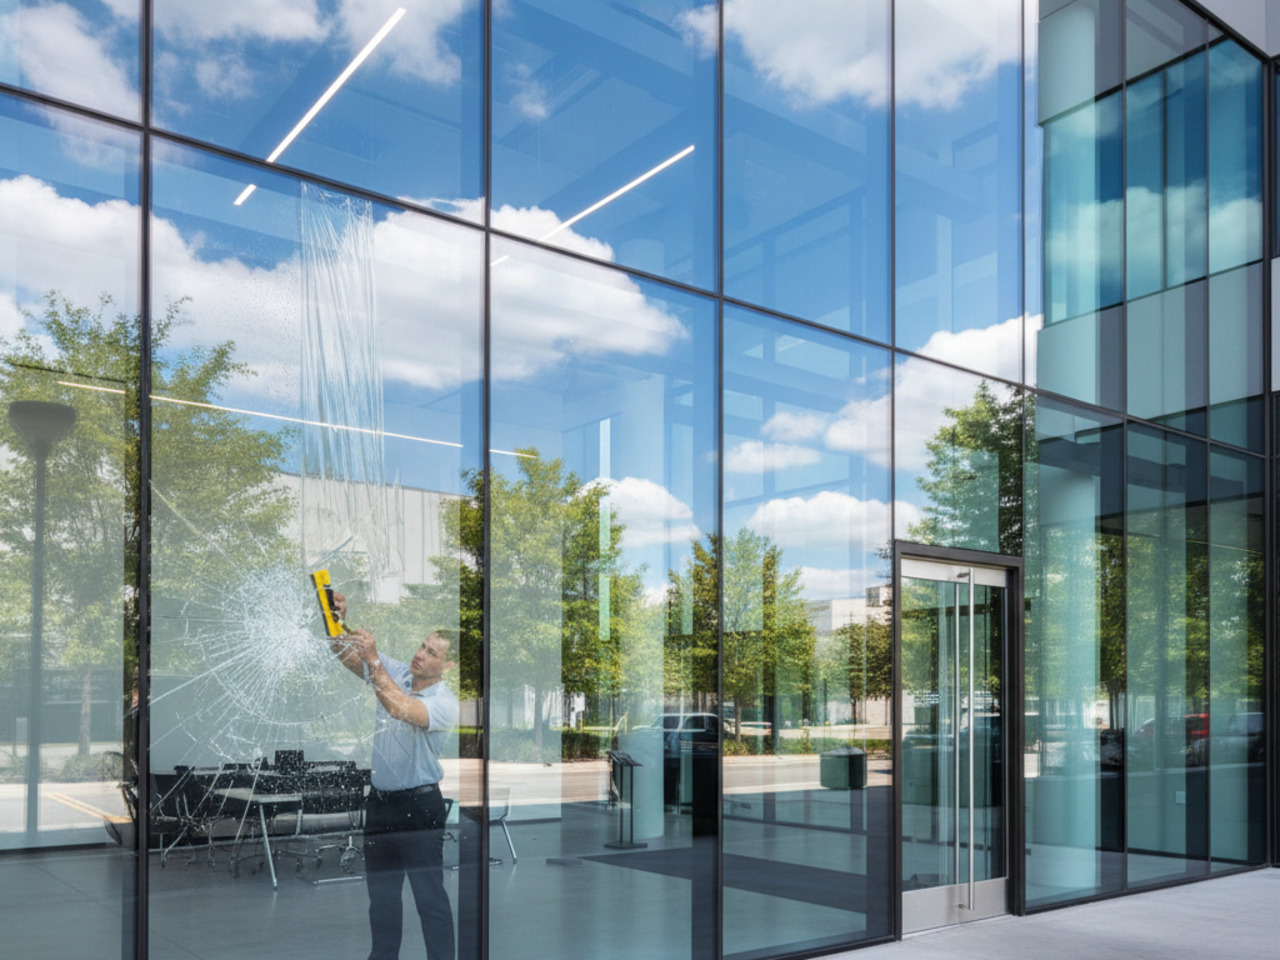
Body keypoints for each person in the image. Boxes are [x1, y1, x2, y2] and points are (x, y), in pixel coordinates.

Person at [330, 592, 459, 960]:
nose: (421, 654)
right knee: (382, 901)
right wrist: (334, 618)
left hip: (419, 807)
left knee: (429, 898)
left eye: (432, 653)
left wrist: (373, 658)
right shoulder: (398, 672)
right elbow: (344, 655)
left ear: (447, 666)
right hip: (381, 805)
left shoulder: (445, 703)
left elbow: (400, 708)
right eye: (422, 646)